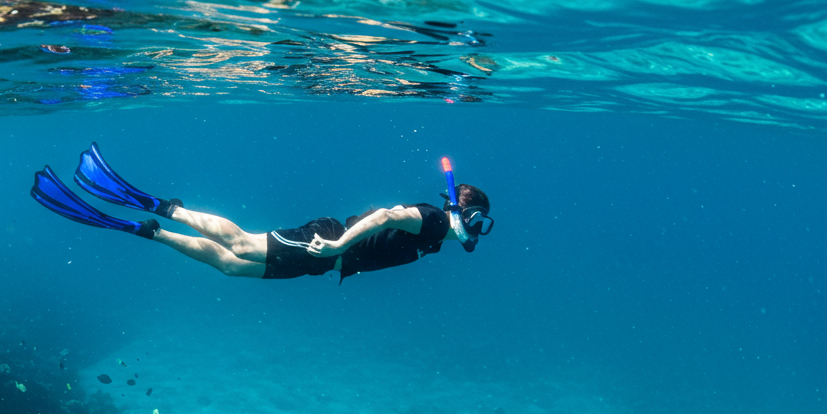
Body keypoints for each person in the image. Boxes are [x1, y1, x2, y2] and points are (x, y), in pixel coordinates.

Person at [30, 144, 492, 280]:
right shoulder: (433, 220)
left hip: (325, 260)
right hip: (325, 241)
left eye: (482, 227)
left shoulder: (436, 239)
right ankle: (161, 205)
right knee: (239, 244)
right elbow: (388, 215)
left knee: (232, 267)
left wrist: (337, 256)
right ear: (462, 213)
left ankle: (148, 230)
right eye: (477, 221)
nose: (477, 232)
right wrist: (338, 243)